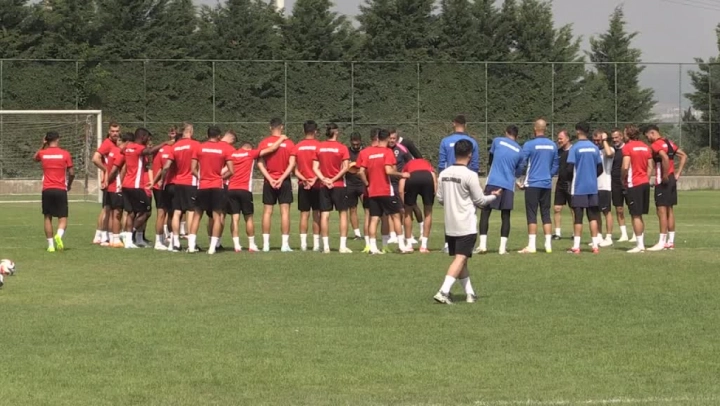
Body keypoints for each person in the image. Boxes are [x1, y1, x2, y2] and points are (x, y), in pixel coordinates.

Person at [434, 139, 501, 305]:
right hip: (466, 224)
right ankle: (443, 291)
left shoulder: (444, 173)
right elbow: (480, 200)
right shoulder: (470, 175)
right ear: (470, 155)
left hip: (450, 224)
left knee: (462, 260)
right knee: (460, 258)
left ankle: (470, 294)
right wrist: (494, 196)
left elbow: (440, 198)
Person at [225, 131, 286, 252]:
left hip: (231, 189)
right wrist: (281, 138)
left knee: (234, 218)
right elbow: (271, 149)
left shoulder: (233, 154)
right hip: (245, 190)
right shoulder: (250, 153)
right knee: (248, 218)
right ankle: (251, 245)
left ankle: (236, 246)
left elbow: (224, 170)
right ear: (249, 148)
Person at [355, 129, 409, 254]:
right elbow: (389, 171)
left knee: (374, 218)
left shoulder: (366, 152)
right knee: (396, 216)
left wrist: (367, 184)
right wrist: (402, 174)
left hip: (372, 191)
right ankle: (401, 246)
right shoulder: (388, 152)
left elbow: (360, 172)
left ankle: (373, 248)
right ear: (388, 138)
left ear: (378, 138)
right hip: (386, 190)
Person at [186, 126, 234, 254]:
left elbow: (192, 169)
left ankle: (191, 247)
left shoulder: (199, 148)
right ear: (219, 136)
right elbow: (231, 170)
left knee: (197, 215)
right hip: (217, 186)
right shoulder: (224, 149)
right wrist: (221, 178)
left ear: (207, 135)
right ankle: (212, 248)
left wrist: (200, 177)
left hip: (202, 186)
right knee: (217, 216)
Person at [476, 125, 523, 255]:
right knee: (505, 216)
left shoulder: (497, 141)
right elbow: (518, 172)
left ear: (506, 132)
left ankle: (482, 246)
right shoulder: (520, 150)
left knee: (485, 212)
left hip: (493, 181)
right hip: (508, 185)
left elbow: (491, 159)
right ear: (517, 136)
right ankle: (502, 249)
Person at [438, 115, 480, 252]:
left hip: (449, 180)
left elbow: (441, 163)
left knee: (450, 212)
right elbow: (475, 164)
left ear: (453, 124)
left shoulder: (445, 141)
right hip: (466, 179)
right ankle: (469, 245)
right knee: (470, 211)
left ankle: (448, 244)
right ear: (465, 125)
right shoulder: (472, 142)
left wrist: (442, 180)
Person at [517, 118, 559, 254]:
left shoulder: (529, 144)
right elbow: (555, 165)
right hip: (546, 184)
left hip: (533, 183)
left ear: (535, 128)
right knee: (546, 214)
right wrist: (548, 175)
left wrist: (519, 178)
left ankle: (532, 245)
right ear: (545, 129)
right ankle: (548, 245)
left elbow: (522, 162)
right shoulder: (553, 145)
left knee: (532, 214)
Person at [644, 124, 688, 251]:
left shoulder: (656, 145)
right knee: (670, 210)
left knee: (661, 211)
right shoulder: (669, 143)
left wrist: (664, 175)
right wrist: (677, 173)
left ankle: (661, 242)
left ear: (652, 133)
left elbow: (664, 157)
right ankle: (670, 242)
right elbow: (684, 155)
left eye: (647, 136)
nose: (648, 139)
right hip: (672, 179)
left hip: (662, 181)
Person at [160, 124, 201, 252]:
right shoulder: (196, 144)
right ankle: (191, 244)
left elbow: (166, 167)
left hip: (177, 182)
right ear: (191, 131)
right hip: (191, 182)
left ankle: (176, 243)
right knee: (191, 211)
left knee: (177, 212)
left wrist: (162, 179)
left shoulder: (175, 146)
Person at [257, 118, 296, 252]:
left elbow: (260, 163)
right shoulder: (289, 143)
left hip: (269, 181)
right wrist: (281, 178)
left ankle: (265, 245)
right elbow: (292, 164)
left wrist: (270, 178)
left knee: (267, 212)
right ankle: (284, 245)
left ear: (270, 127)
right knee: (285, 212)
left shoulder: (264, 142)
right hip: (284, 181)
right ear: (282, 127)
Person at [313, 123, 352, 253]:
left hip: (324, 185)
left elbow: (315, 168)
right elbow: (345, 167)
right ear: (336, 132)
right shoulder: (342, 148)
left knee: (324, 214)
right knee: (343, 214)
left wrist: (324, 179)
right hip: (339, 185)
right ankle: (342, 246)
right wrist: (333, 179)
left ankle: (326, 247)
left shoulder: (319, 147)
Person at [34, 132, 75, 252]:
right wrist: (69, 184)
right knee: (63, 217)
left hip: (47, 189)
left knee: (47, 217)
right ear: (58, 139)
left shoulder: (43, 153)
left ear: (46, 140)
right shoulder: (65, 154)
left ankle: (51, 246)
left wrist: (43, 145)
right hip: (60, 189)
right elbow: (72, 173)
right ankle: (59, 235)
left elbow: (34, 158)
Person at [120, 128, 160, 248]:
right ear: (142, 137)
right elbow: (150, 150)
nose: (148, 140)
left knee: (131, 213)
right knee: (146, 212)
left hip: (126, 184)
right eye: (147, 137)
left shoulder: (128, 147)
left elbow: (122, 150)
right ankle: (129, 232)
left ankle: (128, 242)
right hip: (136, 186)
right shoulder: (139, 148)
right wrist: (165, 144)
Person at [566, 123, 602, 254]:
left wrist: (571, 180)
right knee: (593, 216)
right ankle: (595, 246)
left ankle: (576, 246)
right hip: (592, 187)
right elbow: (600, 168)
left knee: (578, 217)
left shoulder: (575, 148)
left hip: (579, 187)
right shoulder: (594, 148)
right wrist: (591, 176)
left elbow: (569, 168)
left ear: (578, 131)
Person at [621, 125, 654, 253]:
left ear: (628, 134)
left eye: (624, 133)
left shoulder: (627, 147)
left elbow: (625, 166)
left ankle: (640, 245)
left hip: (633, 184)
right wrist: (645, 178)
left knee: (635, 215)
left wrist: (622, 178)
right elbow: (650, 166)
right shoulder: (646, 147)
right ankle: (641, 243)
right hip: (644, 183)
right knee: (639, 215)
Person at [292, 121, 322, 252]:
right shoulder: (320, 146)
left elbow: (293, 168)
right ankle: (316, 245)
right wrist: (314, 179)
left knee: (304, 214)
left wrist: (304, 179)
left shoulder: (297, 146)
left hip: (303, 184)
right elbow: (321, 166)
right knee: (316, 214)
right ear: (315, 131)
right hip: (317, 184)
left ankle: (303, 244)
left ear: (303, 131)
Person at [91, 122, 121, 245]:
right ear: (109, 132)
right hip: (110, 181)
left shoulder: (115, 144)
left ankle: (100, 236)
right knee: (107, 210)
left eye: (117, 131)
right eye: (113, 131)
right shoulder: (107, 143)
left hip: (110, 180)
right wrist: (105, 170)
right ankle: (102, 236)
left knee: (107, 209)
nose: (115, 133)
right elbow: (95, 158)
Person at [103, 132, 134, 248]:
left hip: (110, 187)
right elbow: (116, 170)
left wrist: (106, 181)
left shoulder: (113, 150)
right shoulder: (121, 153)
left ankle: (112, 238)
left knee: (112, 212)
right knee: (117, 213)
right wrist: (112, 181)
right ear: (128, 142)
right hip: (116, 186)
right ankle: (116, 239)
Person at [399, 157, 436, 253]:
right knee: (428, 212)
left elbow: (402, 182)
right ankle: (424, 246)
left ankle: (409, 245)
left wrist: (402, 203)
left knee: (407, 212)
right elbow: (433, 175)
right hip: (427, 178)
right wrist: (434, 192)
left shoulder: (408, 164)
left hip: (413, 178)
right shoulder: (426, 163)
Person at [150, 126, 176, 250]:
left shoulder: (176, 148)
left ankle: (171, 239)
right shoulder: (163, 149)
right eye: (171, 132)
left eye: (175, 133)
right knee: (162, 213)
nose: (173, 135)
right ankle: (158, 241)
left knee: (173, 213)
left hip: (171, 184)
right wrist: (157, 181)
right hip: (161, 186)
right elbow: (162, 168)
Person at [387, 130, 414, 244]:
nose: (391, 140)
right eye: (390, 138)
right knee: (391, 209)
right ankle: (392, 234)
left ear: (397, 139)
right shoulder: (384, 149)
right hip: (388, 183)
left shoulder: (402, 149)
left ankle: (408, 234)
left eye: (394, 138)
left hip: (402, 182)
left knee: (405, 208)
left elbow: (411, 162)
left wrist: (407, 174)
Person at [593, 129, 615, 247]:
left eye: (598, 140)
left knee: (606, 212)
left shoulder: (609, 149)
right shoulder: (594, 151)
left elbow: (609, 154)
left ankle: (609, 237)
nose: (596, 142)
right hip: (594, 186)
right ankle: (599, 236)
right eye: (594, 140)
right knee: (595, 212)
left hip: (605, 185)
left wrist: (605, 140)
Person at [610, 129, 632, 242]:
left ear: (621, 137)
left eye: (616, 137)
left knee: (633, 208)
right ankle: (624, 234)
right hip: (615, 182)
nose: (614, 140)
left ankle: (636, 233)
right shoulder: (611, 150)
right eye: (613, 138)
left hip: (628, 182)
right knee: (619, 208)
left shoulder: (627, 149)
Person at [552, 130, 573, 240]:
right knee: (557, 208)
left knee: (574, 209)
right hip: (560, 183)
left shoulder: (574, 151)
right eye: (558, 138)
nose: (559, 140)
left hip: (572, 183)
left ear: (567, 138)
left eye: (561, 138)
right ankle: (557, 233)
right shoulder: (558, 152)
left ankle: (575, 233)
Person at [346, 132, 365, 240]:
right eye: (354, 144)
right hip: (350, 184)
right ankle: (357, 234)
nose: (356, 146)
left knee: (368, 208)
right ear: (350, 142)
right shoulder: (347, 152)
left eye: (357, 144)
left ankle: (368, 233)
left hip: (362, 184)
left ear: (360, 141)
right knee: (352, 209)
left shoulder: (365, 151)